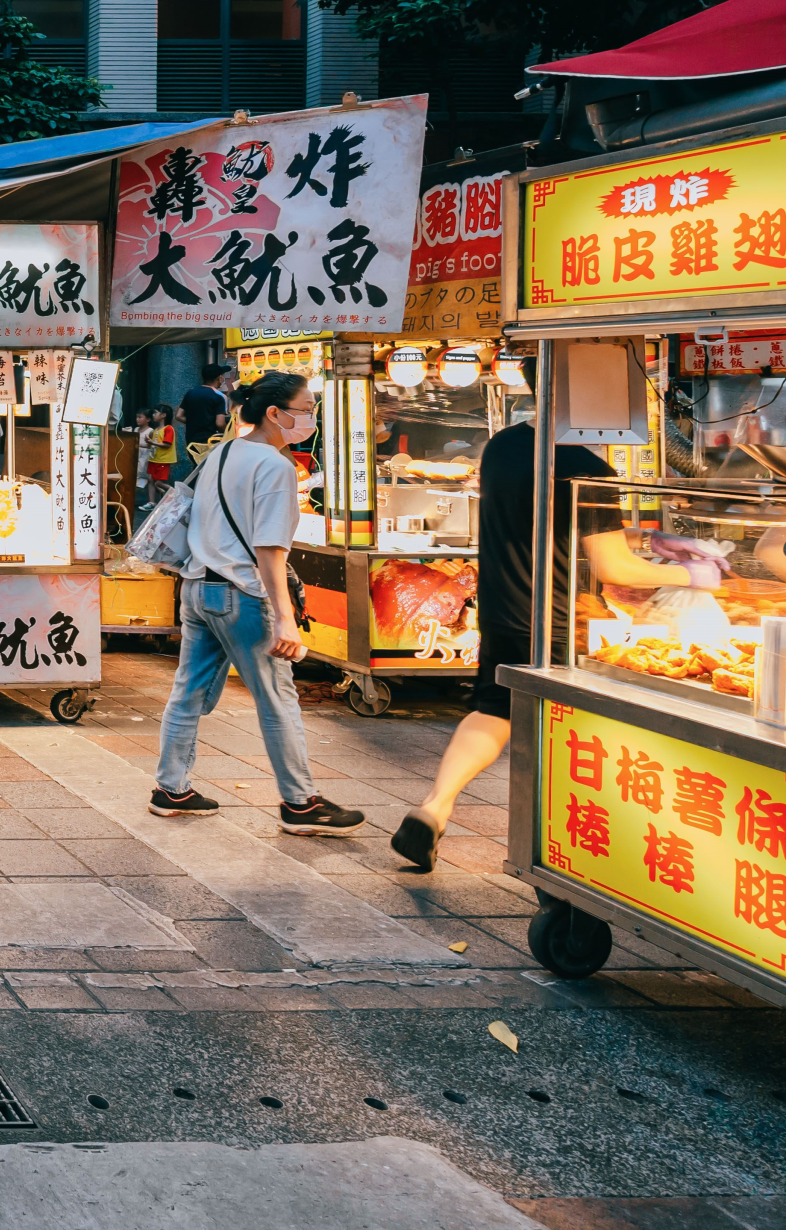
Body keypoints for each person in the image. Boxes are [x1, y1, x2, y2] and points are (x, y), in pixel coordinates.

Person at [390, 402, 686, 870]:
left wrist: (650, 542)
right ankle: (578, 845)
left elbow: (556, 524)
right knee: (580, 733)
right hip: (561, 621)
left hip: (504, 608)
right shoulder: (586, 468)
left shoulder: (503, 446)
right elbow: (615, 567)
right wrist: (696, 575)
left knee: (494, 710)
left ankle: (434, 808)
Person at [149, 371, 365, 835]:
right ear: (274, 413)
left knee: (188, 692)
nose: (311, 417)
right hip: (240, 594)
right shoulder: (275, 466)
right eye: (307, 409)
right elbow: (269, 548)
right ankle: (300, 803)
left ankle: (171, 789)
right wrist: (285, 618)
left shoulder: (222, 452)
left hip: (197, 588)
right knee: (277, 698)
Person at [181, 364, 235, 448]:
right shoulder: (219, 396)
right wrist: (229, 436)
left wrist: (196, 423)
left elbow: (179, 416)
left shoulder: (190, 393)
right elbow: (220, 423)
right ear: (220, 378)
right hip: (210, 442)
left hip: (191, 442)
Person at [144, 409, 178, 506]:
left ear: (163, 415)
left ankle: (175, 492)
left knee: (158, 482)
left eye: (156, 412)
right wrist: (148, 442)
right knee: (151, 480)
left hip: (163, 459)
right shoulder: (156, 429)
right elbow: (151, 445)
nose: (153, 415)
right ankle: (151, 502)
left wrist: (152, 442)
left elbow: (167, 444)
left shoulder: (168, 429)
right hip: (154, 458)